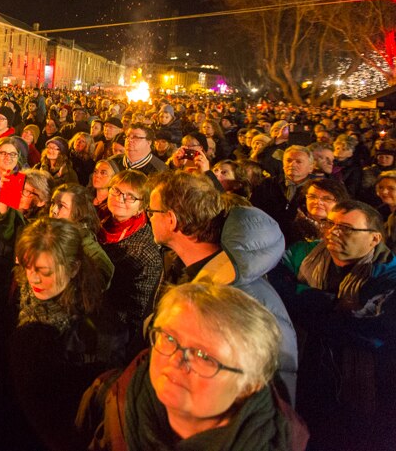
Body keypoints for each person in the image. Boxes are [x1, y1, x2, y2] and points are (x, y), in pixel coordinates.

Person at [77, 282, 308, 451]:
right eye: (168, 338)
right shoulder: (115, 395)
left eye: (202, 355)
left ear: (248, 385)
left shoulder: (278, 442)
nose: (176, 359)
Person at [146, 170, 298, 403]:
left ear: (171, 219)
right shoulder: (194, 271)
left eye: (152, 212)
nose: (148, 218)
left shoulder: (233, 298)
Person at [272, 200, 396, 446]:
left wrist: (298, 300)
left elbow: (359, 328)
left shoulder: (388, 276)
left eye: (347, 228)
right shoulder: (305, 253)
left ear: (375, 239)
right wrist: (329, 303)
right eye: (329, 223)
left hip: (358, 395)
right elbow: (274, 277)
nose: (333, 232)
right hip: (306, 378)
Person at [9, 218, 126, 450]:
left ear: (73, 268)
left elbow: (90, 407)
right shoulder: (20, 292)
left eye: (44, 271)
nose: (33, 278)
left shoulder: (97, 328)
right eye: (27, 267)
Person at [99, 169, 161, 356]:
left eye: (130, 196)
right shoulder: (96, 222)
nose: (120, 199)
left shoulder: (145, 250)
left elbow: (139, 309)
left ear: (142, 206)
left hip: (111, 331)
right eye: (116, 191)